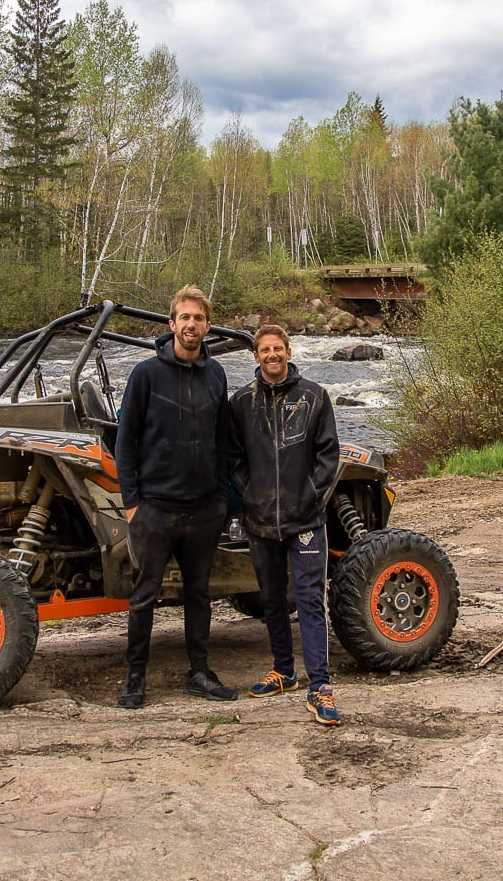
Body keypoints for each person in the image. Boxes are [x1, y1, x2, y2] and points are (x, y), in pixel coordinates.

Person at [113, 285, 237, 709]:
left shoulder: (215, 374)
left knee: (199, 594)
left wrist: (221, 498)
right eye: (184, 318)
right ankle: (135, 678)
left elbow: (223, 441)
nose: (191, 325)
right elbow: (124, 442)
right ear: (171, 325)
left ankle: (199, 673)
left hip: (203, 509)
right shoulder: (146, 374)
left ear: (206, 326)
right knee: (144, 594)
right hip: (155, 509)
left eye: (199, 319)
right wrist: (132, 504)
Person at [228, 324, 343, 726]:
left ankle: (320, 686)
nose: (272, 355)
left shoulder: (314, 396)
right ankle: (284, 671)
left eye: (278, 349)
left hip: (305, 519)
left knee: (310, 600)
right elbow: (233, 458)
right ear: (255, 356)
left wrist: (309, 496)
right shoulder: (241, 401)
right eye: (265, 350)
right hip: (260, 519)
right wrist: (250, 495)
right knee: (272, 598)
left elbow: (329, 455)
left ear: (289, 352)